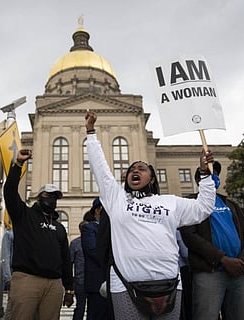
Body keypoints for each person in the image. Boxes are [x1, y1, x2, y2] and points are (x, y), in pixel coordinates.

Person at [84, 111, 216, 320]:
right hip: (126, 285)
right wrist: (91, 133)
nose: (135, 170)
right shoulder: (116, 199)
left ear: (152, 178)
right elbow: (100, 168)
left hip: (169, 284)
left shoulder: (170, 202)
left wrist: (205, 175)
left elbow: (204, 208)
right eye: (131, 169)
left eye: (142, 168)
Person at [4, 150, 74, 320]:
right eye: (48, 195)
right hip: (27, 280)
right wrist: (18, 165)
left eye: (55, 197)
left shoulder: (59, 227)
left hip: (54, 285)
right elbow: (10, 192)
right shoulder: (24, 215)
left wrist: (69, 288)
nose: (52, 199)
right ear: (39, 197)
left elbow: (65, 259)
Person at [180, 162, 244, 320]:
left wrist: (242, 260)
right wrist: (222, 259)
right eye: (209, 174)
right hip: (209, 272)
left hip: (239, 272)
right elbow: (190, 236)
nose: (214, 177)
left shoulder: (231, 204)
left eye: (216, 174)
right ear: (200, 180)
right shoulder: (190, 204)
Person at [82, 197, 108, 319]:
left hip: (115, 283)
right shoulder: (89, 229)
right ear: (97, 210)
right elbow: (93, 250)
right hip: (97, 283)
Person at [70, 220, 89, 320]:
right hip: (84, 281)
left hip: (80, 280)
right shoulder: (94, 241)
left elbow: (70, 262)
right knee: (88, 307)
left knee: (80, 306)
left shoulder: (75, 243)